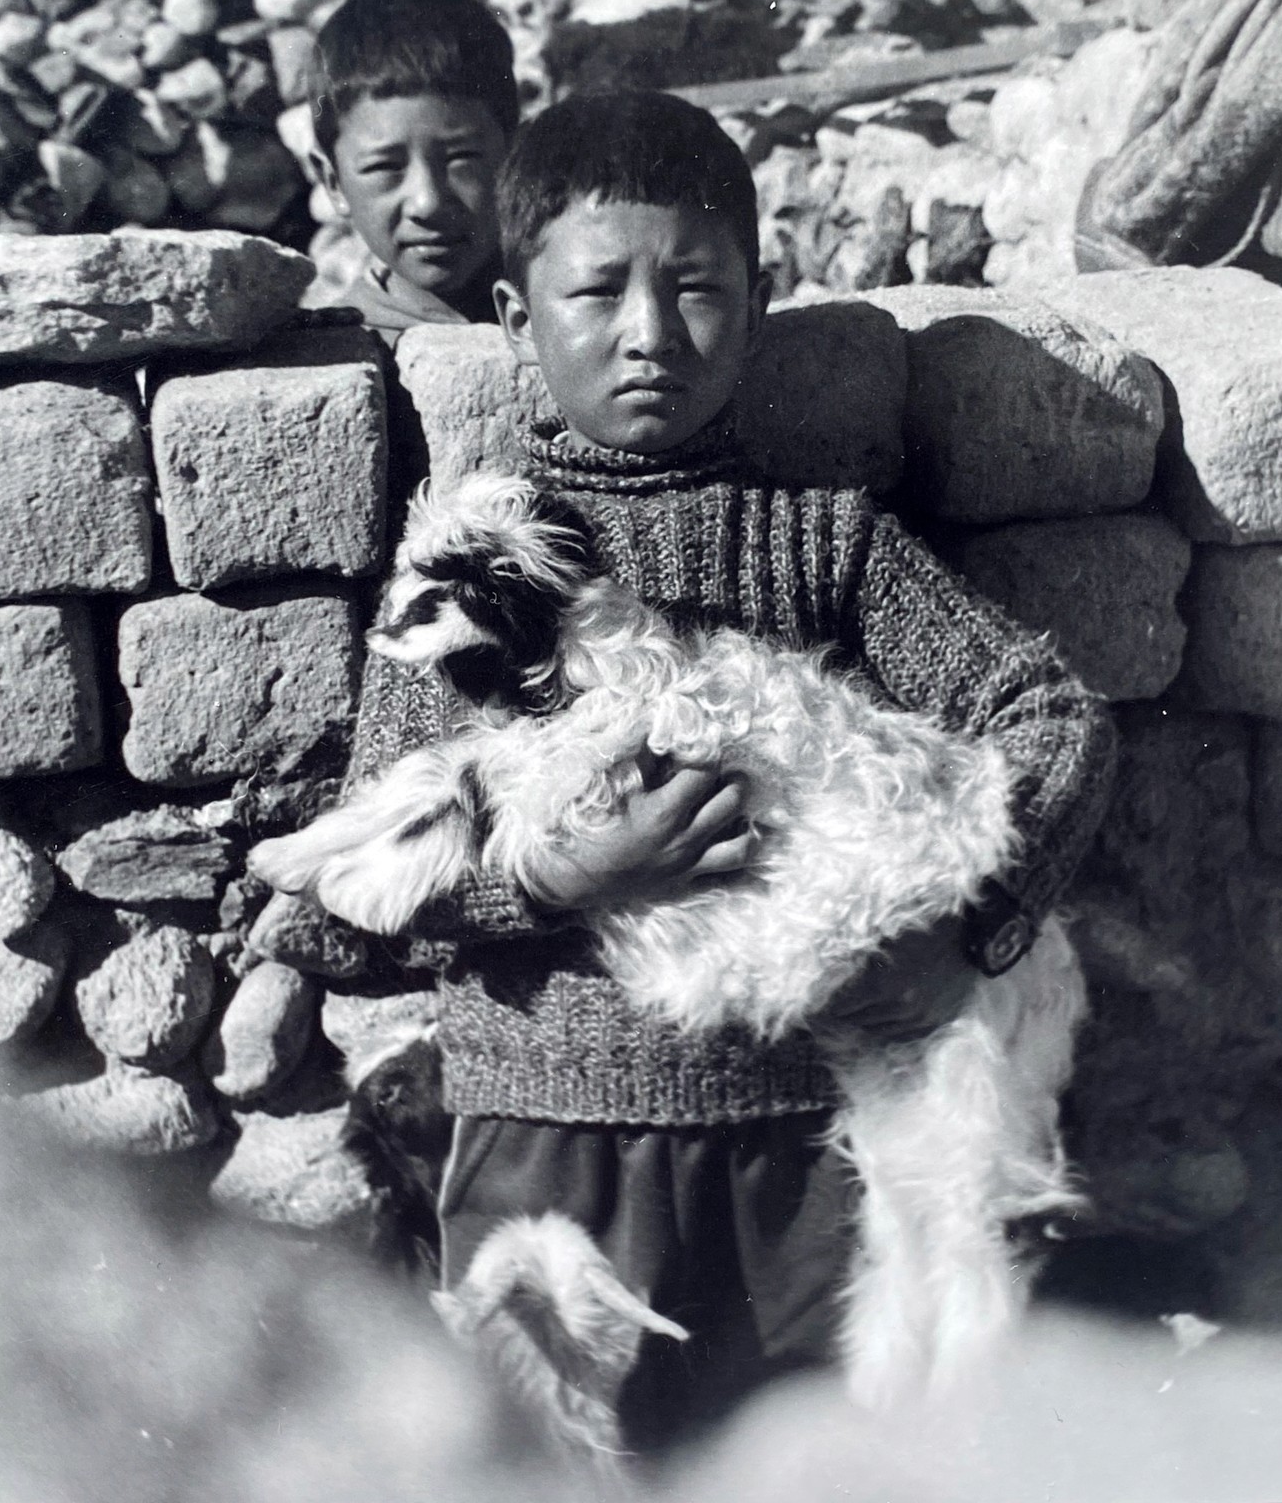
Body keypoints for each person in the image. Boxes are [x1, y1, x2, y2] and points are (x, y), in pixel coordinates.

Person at [321, 89, 1116, 1452]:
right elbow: (357, 894)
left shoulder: (822, 544)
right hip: (544, 1144)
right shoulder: (467, 568)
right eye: (596, 292)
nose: (648, 332)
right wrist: (558, 878)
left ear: (756, 305)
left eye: (693, 288)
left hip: (805, 1150)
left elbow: (1048, 711)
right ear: (514, 315)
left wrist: (975, 929)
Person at [303, 0, 518, 337]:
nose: (427, 202)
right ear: (333, 183)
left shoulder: (579, 315)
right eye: (385, 166)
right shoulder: (335, 348)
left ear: (514, 158)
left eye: (461, 158)